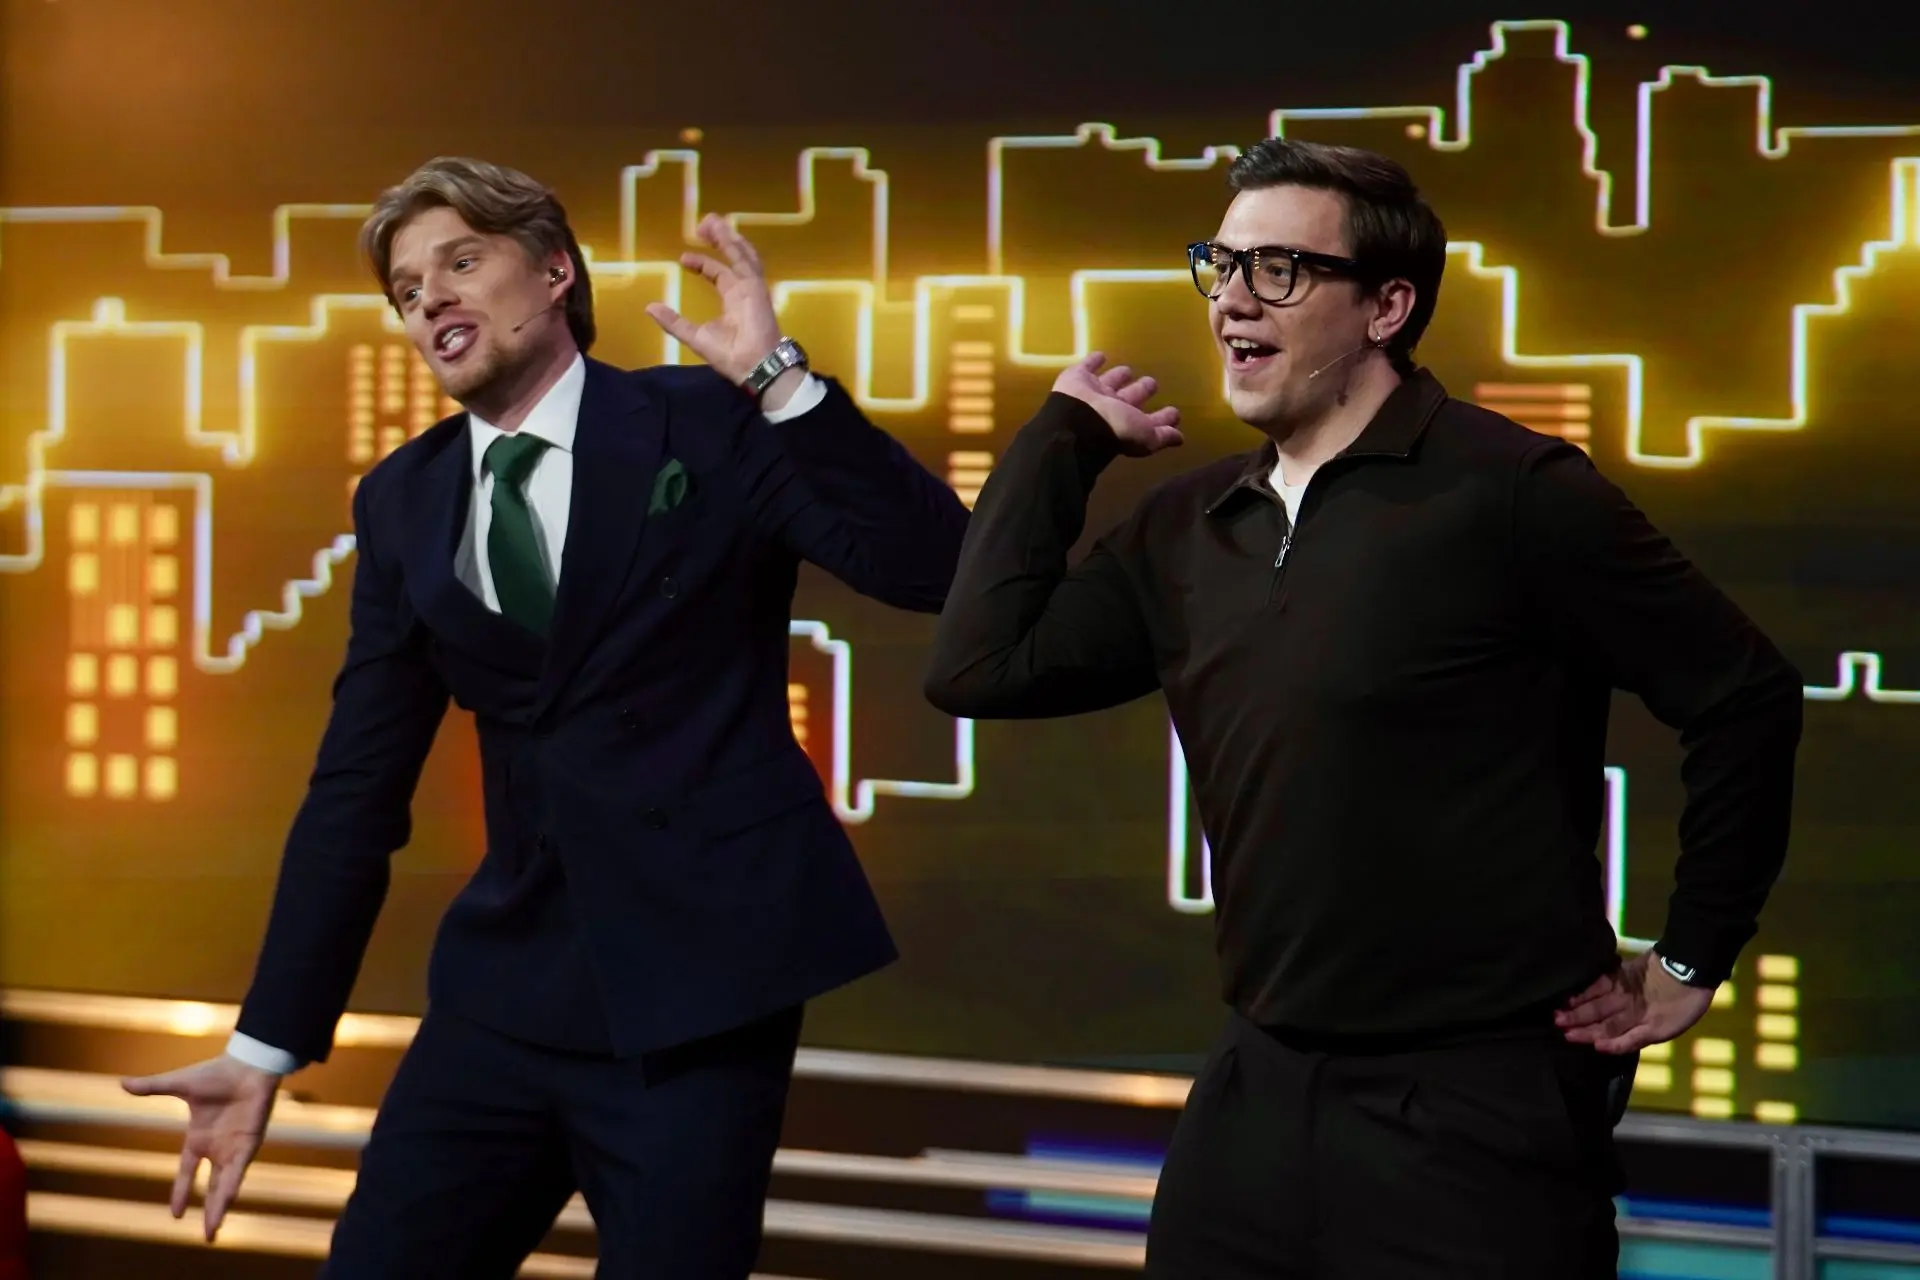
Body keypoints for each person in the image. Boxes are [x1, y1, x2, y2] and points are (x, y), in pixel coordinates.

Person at [923, 137, 1803, 1277]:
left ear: (1387, 307)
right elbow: (979, 667)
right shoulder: (1189, 526)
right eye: (1221, 265)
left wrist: (1692, 956)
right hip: (1259, 1087)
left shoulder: (1512, 492)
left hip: (1474, 1110)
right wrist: (1064, 439)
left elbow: (1744, 697)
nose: (1232, 300)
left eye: (1279, 269)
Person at [122, 156, 969, 1277]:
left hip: (701, 997)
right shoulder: (402, 499)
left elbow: (935, 571)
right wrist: (263, 1044)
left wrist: (779, 382)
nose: (431, 298)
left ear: (556, 270)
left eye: (462, 262)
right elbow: (357, 785)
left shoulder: (702, 420)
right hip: (504, 995)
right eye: (408, 290)